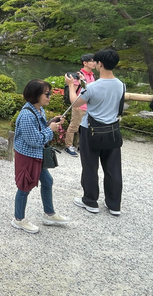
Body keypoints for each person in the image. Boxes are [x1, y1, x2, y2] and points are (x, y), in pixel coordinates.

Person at [65, 48, 125, 216]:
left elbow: (75, 103)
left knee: (90, 166)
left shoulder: (93, 87)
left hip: (90, 129)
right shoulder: (121, 85)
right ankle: (114, 205)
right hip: (112, 129)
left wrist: (71, 86)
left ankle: (90, 201)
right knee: (113, 168)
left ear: (100, 64)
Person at [12, 79, 71, 234]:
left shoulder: (38, 110)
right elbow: (34, 140)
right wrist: (50, 130)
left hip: (37, 154)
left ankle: (49, 214)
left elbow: (40, 129)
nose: (49, 96)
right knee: (24, 186)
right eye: (46, 94)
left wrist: (51, 122)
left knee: (47, 181)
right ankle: (18, 219)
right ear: (35, 95)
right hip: (27, 155)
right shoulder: (26, 115)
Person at [63, 53, 97, 157]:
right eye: (92, 61)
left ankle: (80, 145)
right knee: (74, 126)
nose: (94, 63)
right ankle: (68, 145)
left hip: (89, 106)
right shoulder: (78, 76)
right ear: (85, 63)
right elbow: (75, 89)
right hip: (79, 105)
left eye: (95, 61)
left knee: (83, 127)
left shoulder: (92, 75)